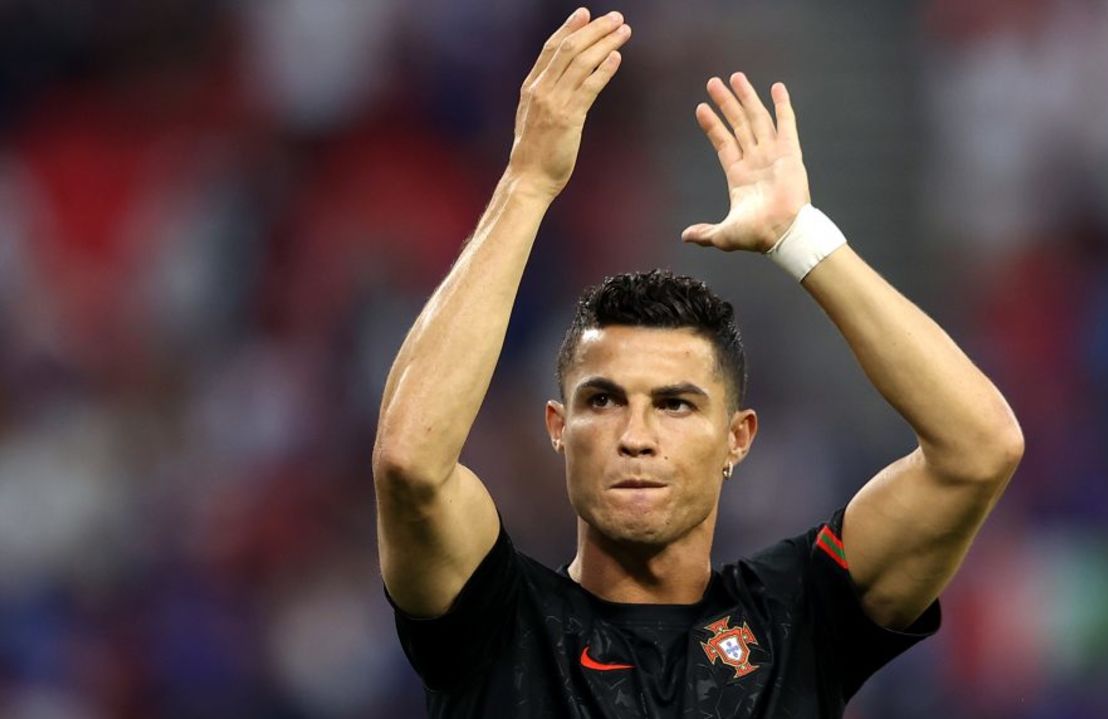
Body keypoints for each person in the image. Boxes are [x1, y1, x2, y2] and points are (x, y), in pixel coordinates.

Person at [373, 7, 1023, 717]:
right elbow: (411, 462)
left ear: (737, 437)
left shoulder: (795, 618)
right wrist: (526, 185)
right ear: (557, 425)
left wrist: (801, 239)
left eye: (675, 403)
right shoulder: (496, 623)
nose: (636, 434)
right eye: (603, 400)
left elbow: (979, 448)